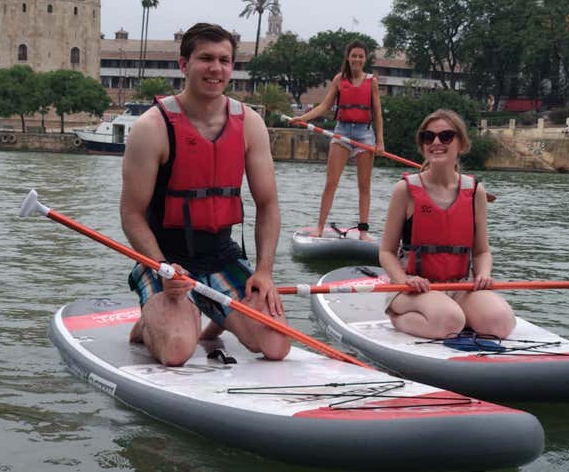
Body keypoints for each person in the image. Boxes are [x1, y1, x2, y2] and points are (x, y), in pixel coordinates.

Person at [120, 23, 290, 366]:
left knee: (276, 345)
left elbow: (268, 205)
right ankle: (151, 321)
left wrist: (264, 271)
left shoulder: (250, 124)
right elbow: (132, 215)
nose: (216, 68)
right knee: (176, 351)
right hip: (167, 261)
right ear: (184, 65)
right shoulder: (151, 128)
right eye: (206, 59)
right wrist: (163, 268)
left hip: (221, 256)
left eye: (224, 60)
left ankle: (214, 310)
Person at [379, 109, 515, 340]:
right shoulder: (405, 190)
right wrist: (405, 281)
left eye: (446, 136)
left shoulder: (475, 192)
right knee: (449, 321)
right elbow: (386, 252)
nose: (436, 142)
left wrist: (483, 274)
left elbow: (482, 252)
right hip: (413, 289)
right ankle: (397, 316)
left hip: (460, 287)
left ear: (461, 144)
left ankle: (455, 316)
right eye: (428, 137)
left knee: (501, 323)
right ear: (422, 145)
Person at [290, 40, 384, 240]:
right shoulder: (339, 79)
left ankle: (363, 231)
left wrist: (380, 142)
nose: (357, 59)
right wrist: (303, 118)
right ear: (348, 58)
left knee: (364, 186)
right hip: (342, 132)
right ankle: (320, 227)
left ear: (365, 59)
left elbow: (377, 113)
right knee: (331, 182)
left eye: (360, 56)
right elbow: (324, 106)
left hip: (365, 134)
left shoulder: (372, 82)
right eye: (354, 55)